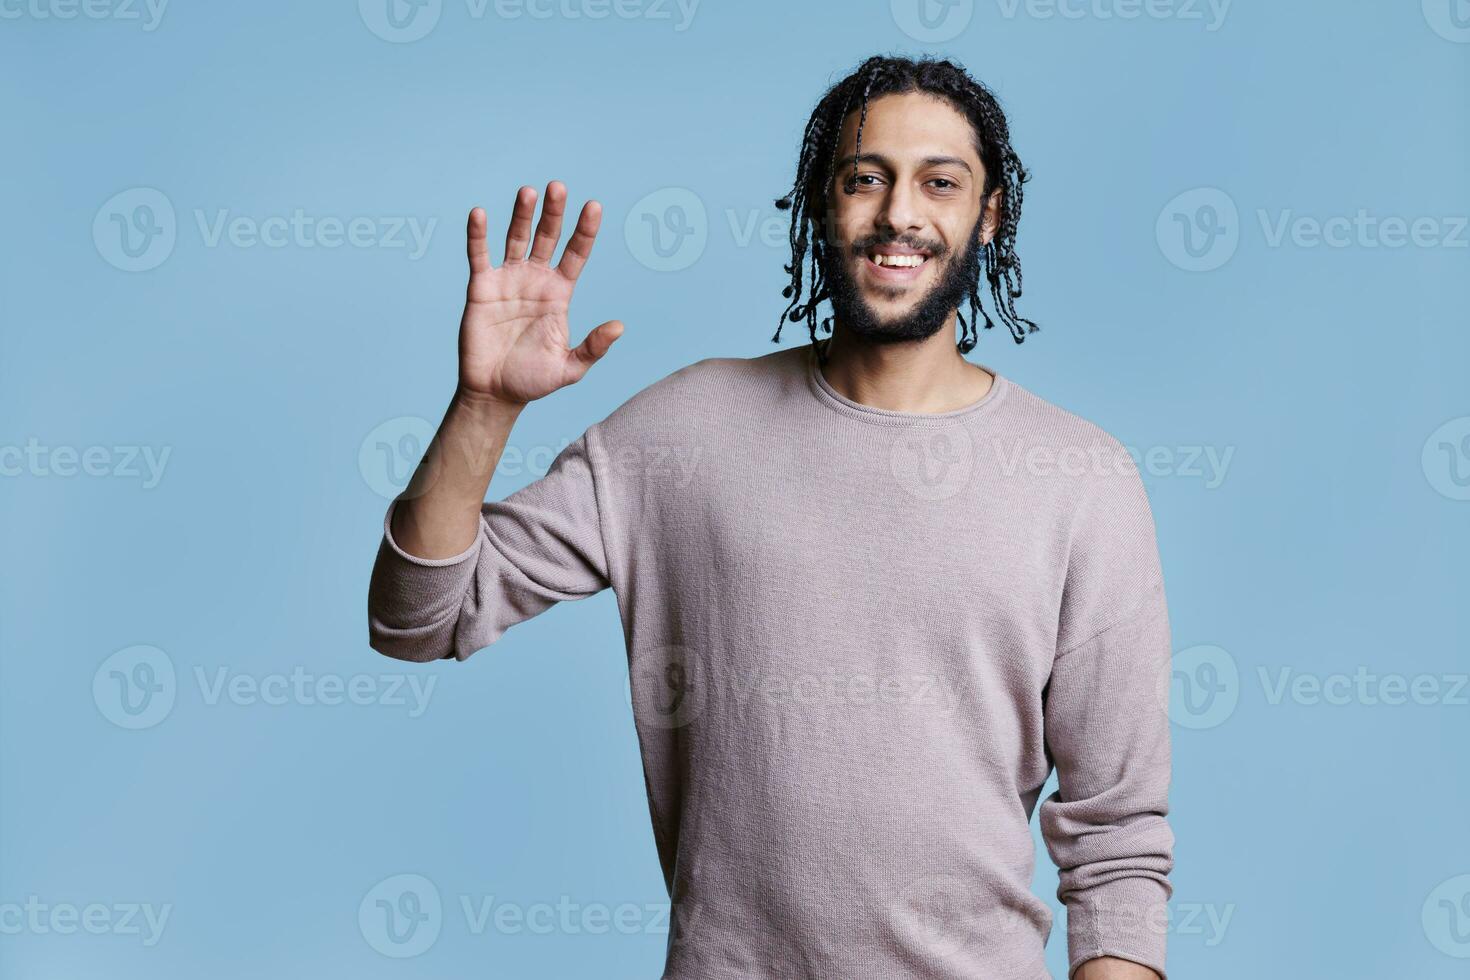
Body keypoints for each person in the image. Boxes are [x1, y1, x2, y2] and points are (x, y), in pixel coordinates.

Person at [368, 54, 1175, 980]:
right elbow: (415, 621)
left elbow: (1116, 839)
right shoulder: (681, 434)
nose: (900, 214)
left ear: (989, 215)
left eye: (939, 183)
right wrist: (484, 406)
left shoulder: (1080, 481)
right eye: (864, 178)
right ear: (820, 206)